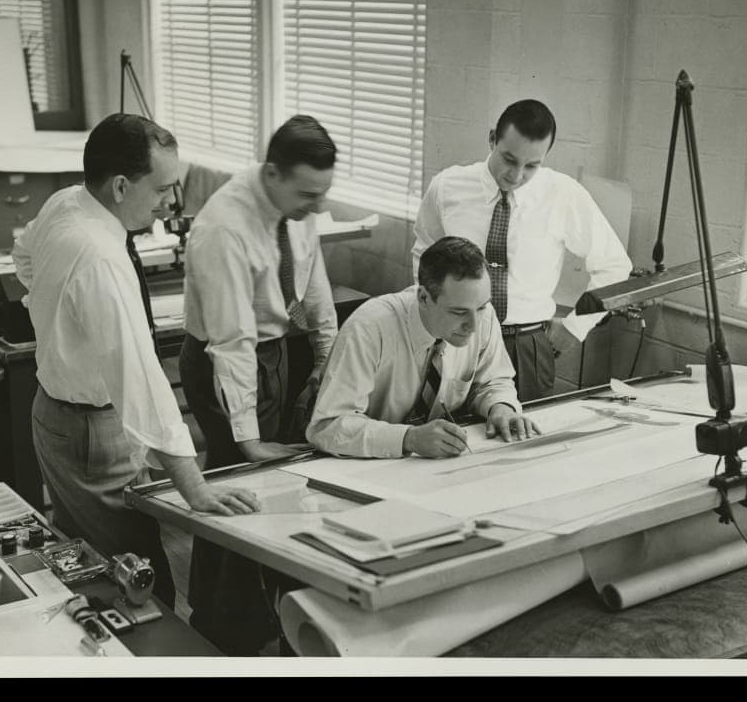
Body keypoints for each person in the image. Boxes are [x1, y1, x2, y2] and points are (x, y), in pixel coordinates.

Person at [11, 113, 260, 611]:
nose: (171, 202)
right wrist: (195, 488)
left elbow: (23, 256)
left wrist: (57, 313)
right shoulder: (99, 255)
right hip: (88, 432)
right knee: (138, 583)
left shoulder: (68, 201)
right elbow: (141, 377)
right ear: (122, 186)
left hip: (56, 416)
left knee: (83, 562)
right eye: (164, 188)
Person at [180, 114, 340, 654]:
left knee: (253, 492)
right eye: (307, 194)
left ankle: (237, 615)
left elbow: (314, 285)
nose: (317, 207)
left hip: (278, 352)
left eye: (323, 194)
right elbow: (231, 341)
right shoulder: (224, 226)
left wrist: (325, 360)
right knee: (242, 491)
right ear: (271, 172)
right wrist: (247, 436)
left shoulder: (298, 203)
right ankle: (230, 635)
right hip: (224, 362)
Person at [412, 99, 632, 402]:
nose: (516, 175)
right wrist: (431, 319)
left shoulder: (563, 193)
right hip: (456, 339)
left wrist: (575, 327)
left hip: (526, 345)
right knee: (450, 437)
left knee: (522, 440)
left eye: (532, 166)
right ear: (492, 139)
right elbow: (424, 254)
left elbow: (615, 265)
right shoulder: (448, 186)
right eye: (509, 159)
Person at [307, 236, 540, 459]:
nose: (474, 325)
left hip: (426, 467)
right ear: (424, 298)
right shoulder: (368, 328)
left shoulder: (484, 317)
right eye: (458, 312)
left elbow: (493, 381)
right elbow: (327, 426)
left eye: (480, 308)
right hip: (357, 464)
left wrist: (500, 407)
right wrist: (408, 438)